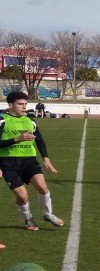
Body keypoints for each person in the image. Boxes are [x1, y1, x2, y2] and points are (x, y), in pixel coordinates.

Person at [0, 91, 64, 231]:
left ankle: (48, 214)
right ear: (11, 105)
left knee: (42, 187)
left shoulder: (30, 121)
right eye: (20, 104)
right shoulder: (2, 120)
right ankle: (28, 218)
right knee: (22, 197)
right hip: (8, 163)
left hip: (29, 160)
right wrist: (17, 139)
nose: (24, 107)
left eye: (25, 104)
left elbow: (40, 140)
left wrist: (46, 158)